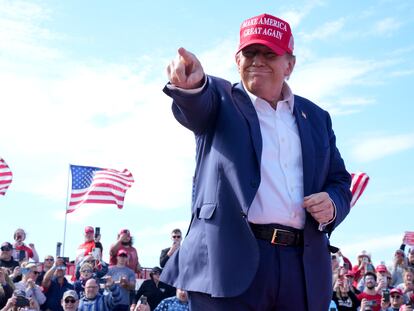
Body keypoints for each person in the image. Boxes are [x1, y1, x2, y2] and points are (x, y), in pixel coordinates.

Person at [162, 12, 351, 311]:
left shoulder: (316, 118)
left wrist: (333, 204)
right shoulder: (220, 99)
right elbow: (196, 103)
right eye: (249, 53)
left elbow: (340, 180)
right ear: (237, 60)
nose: (257, 60)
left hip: (300, 268)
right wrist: (190, 85)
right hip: (228, 263)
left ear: (289, 64)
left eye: (269, 53)